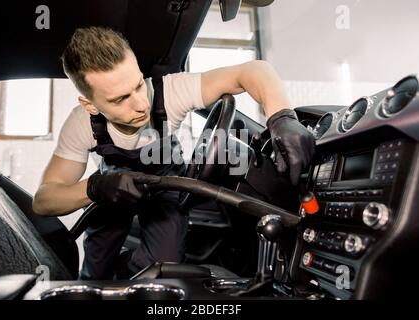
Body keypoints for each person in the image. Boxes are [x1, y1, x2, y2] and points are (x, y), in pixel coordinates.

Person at [32, 26, 315, 280]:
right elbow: (44, 200)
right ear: (90, 105)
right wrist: (94, 187)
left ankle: (125, 277)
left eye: (138, 84)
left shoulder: (169, 92)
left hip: (167, 185)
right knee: (95, 269)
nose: (141, 104)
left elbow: (254, 71)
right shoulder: (81, 124)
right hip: (112, 189)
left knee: (164, 263)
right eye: (120, 99)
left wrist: (281, 117)